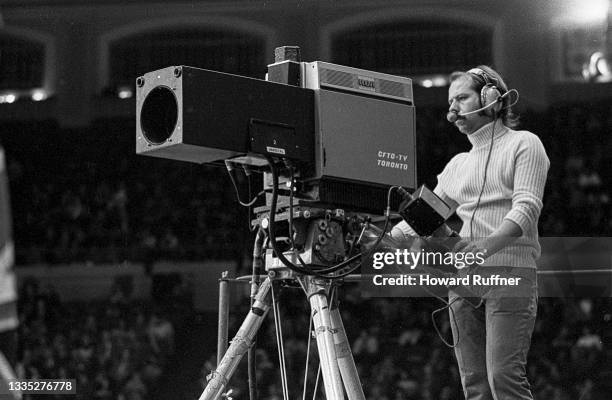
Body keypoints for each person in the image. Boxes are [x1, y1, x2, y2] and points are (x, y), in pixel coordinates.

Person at [392, 65, 549, 400]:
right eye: (451, 101)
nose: (453, 109)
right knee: (475, 386)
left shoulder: (525, 144)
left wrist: (483, 249)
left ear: (491, 98)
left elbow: (526, 210)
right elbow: (418, 221)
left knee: (503, 378)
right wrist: (380, 237)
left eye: (461, 98)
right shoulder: (457, 165)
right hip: (464, 282)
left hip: (510, 273)